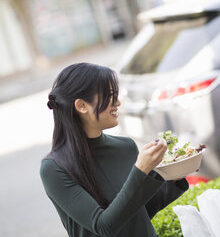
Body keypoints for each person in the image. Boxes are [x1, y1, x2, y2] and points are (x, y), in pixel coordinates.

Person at [40, 62, 189, 237]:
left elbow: (138, 212)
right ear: (81, 106)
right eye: (110, 96)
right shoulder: (54, 168)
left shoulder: (125, 147)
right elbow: (103, 226)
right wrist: (140, 171)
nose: (118, 102)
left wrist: (175, 176)